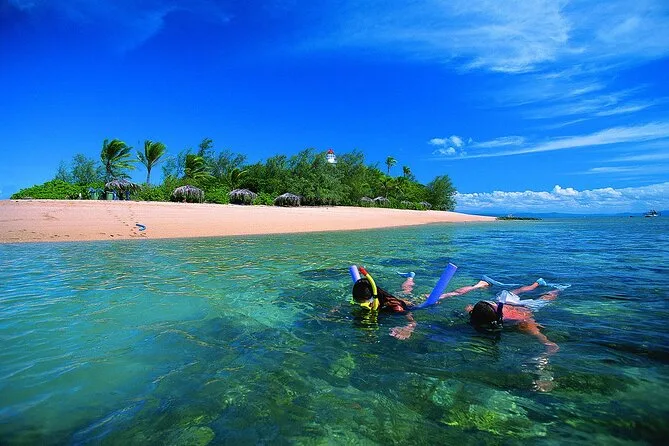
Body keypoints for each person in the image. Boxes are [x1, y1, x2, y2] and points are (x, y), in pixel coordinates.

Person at [439, 277, 560, 391]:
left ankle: (535, 284)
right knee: (547, 297)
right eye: (496, 305)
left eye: (494, 303)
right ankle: (559, 288)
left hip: (511, 303)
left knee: (519, 290)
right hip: (526, 306)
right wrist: (540, 364)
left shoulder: (476, 312)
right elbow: (552, 346)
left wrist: (442, 297)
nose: (497, 304)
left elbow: (465, 302)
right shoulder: (523, 323)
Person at [351, 267, 418, 340]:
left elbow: (410, 317)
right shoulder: (368, 299)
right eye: (358, 301)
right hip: (389, 299)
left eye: (364, 303)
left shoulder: (395, 307)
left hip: (407, 303)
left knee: (406, 292)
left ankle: (410, 277)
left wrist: (409, 328)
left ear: (373, 298)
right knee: (403, 292)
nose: (361, 305)